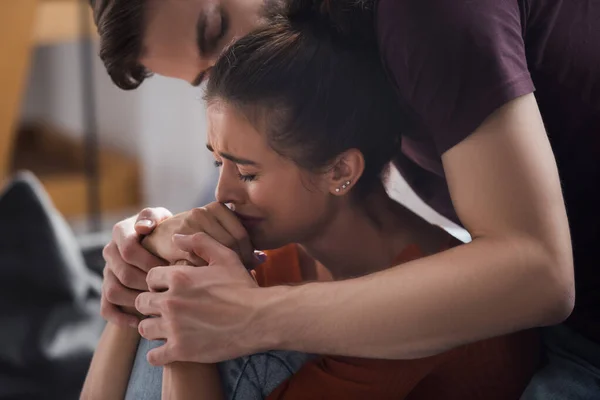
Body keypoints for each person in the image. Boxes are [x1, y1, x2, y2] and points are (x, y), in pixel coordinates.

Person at [93, 0, 600, 397]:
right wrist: (146, 258)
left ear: (343, 170)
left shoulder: (422, 16)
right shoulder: (341, 46)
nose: (237, 71)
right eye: (206, 75)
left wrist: (245, 318)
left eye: (216, 28)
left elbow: (540, 274)